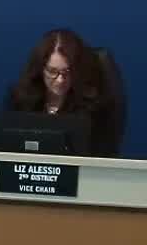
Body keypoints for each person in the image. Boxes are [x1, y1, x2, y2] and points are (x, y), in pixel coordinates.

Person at [6, 28, 120, 156]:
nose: (60, 80)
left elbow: (99, 154)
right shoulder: (21, 99)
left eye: (67, 72)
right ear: (40, 68)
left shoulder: (94, 106)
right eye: (52, 71)